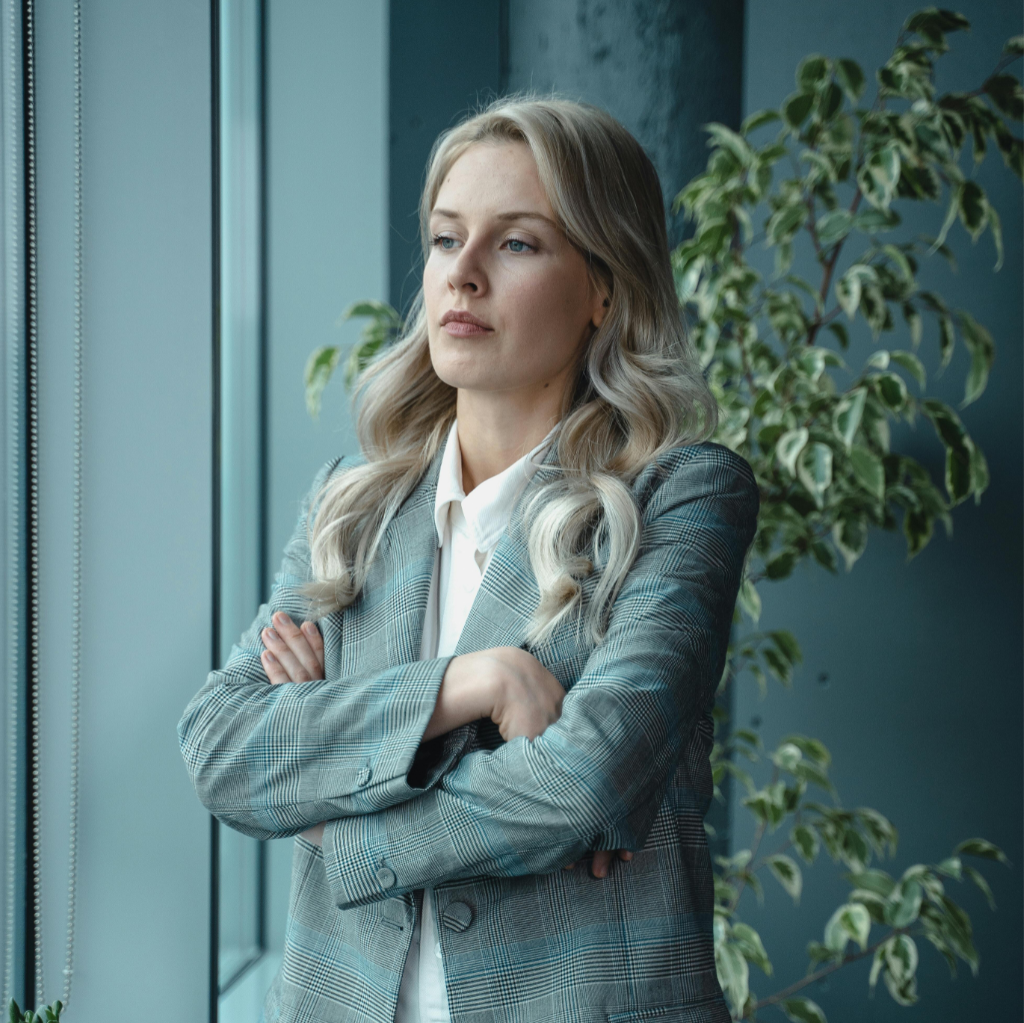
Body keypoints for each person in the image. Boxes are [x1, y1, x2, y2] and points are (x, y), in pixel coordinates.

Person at [179, 95, 758, 1023]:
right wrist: (473, 683)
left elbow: (586, 776)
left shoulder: (682, 498)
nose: (466, 275)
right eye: (448, 240)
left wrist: (342, 820)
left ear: (604, 285)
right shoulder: (352, 502)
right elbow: (223, 747)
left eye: (517, 243)